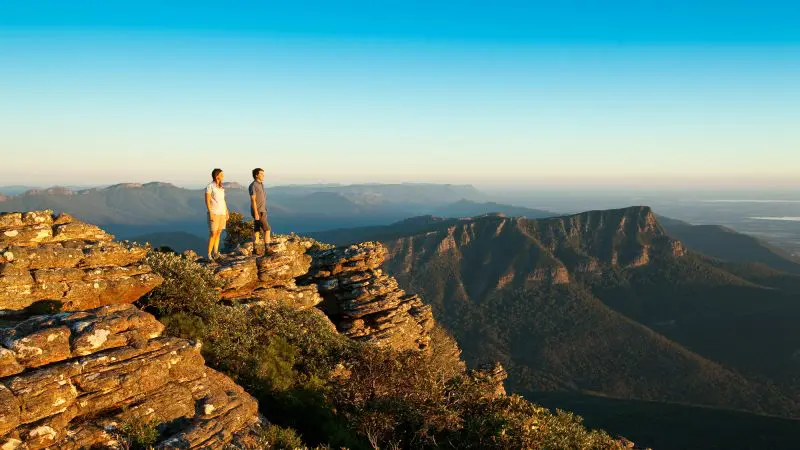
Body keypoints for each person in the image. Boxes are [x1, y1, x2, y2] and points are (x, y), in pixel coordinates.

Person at [205, 168, 229, 260]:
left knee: (218, 233)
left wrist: (226, 211)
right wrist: (210, 212)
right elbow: (207, 200)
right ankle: (209, 254)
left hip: (222, 213)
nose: (223, 176)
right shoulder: (210, 186)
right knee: (213, 233)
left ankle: (215, 253)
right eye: (221, 174)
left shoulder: (221, 187)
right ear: (216, 175)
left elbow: (223, 200)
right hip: (214, 212)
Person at [249, 167, 271, 254]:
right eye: (261, 174)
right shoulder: (253, 185)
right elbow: (253, 200)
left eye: (263, 174)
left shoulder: (261, 184)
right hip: (259, 211)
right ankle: (267, 249)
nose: (263, 176)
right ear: (256, 175)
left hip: (262, 210)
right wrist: (256, 212)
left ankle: (255, 250)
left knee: (257, 230)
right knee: (267, 229)